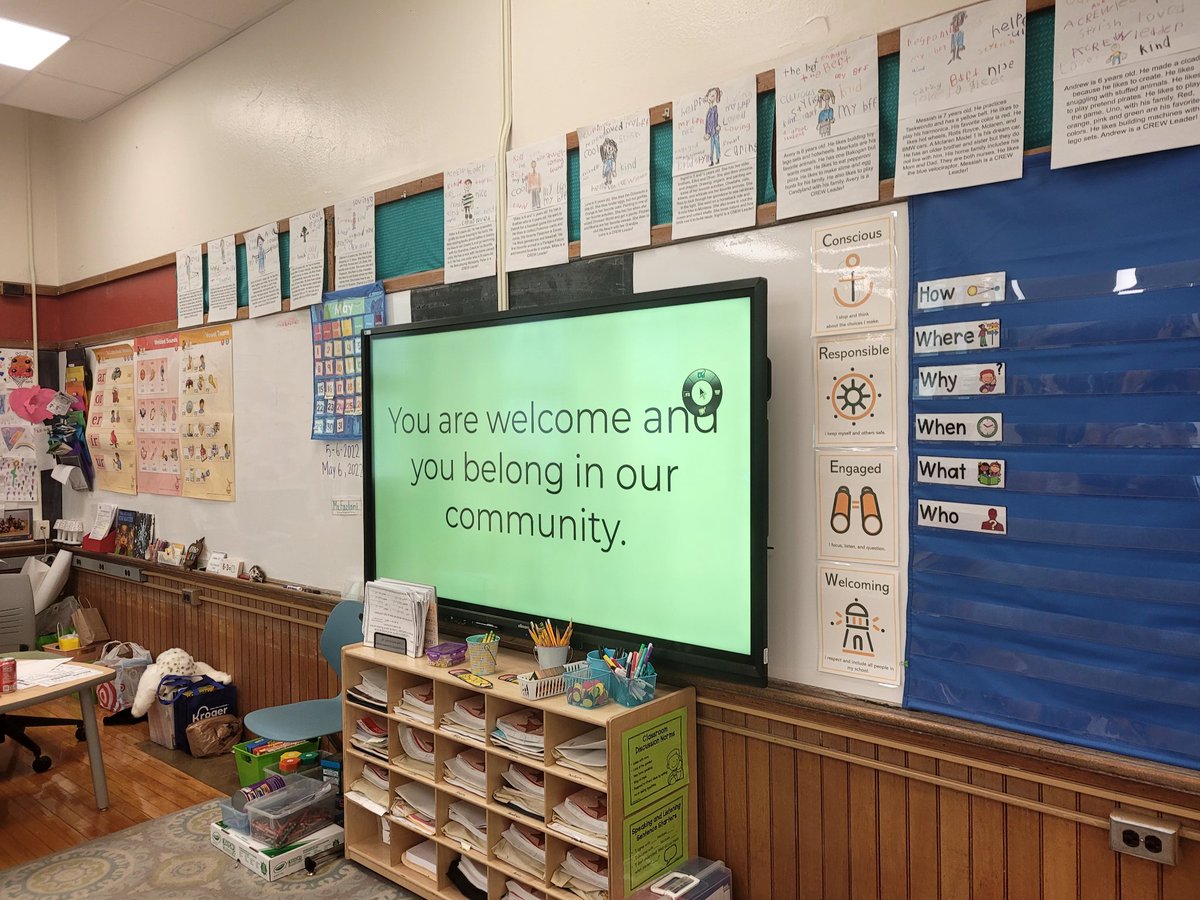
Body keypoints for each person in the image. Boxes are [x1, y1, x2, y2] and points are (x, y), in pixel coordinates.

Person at [704, 87, 722, 165]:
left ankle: (718, 159)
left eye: (713, 96)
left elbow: (716, 119)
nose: (711, 97)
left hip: (715, 132)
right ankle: (711, 161)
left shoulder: (715, 109)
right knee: (711, 147)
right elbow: (707, 123)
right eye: (710, 95)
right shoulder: (708, 111)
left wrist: (718, 127)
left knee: (717, 145)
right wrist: (707, 133)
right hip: (711, 133)